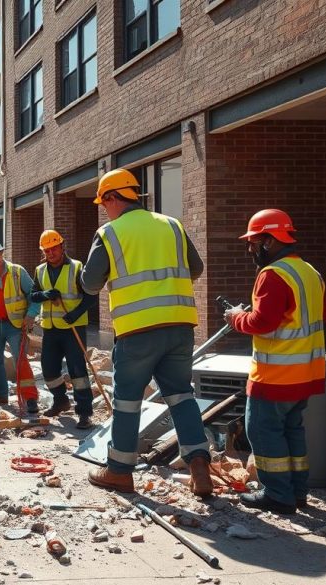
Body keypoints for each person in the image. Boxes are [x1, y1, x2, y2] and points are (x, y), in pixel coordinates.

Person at [81, 168, 213, 497]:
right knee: (181, 396)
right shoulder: (173, 225)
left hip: (137, 331)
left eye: (103, 202)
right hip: (180, 325)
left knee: (127, 402)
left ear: (113, 198)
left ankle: (119, 472)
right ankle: (199, 465)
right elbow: (195, 268)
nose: (103, 209)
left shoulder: (110, 233)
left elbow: (90, 283)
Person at [224, 209, 326, 514]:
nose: (250, 248)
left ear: (269, 241)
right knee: (292, 432)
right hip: (306, 374)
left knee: (263, 433)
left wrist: (235, 318)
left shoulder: (272, 275)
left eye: (254, 242)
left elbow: (262, 322)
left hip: (275, 376)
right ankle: (297, 493)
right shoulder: (310, 272)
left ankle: (277, 495)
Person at [29, 229, 97, 429]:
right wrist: (45, 295)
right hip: (50, 328)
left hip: (73, 327)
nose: (51, 253)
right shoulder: (40, 270)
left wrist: (76, 314)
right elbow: (33, 295)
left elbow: (91, 296)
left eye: (54, 249)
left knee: (77, 371)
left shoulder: (76, 268)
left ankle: (84, 412)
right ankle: (60, 400)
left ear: (61, 246)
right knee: (49, 369)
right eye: (47, 250)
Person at [0, 239, 39, 413]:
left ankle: (30, 398)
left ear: (2, 254)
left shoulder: (18, 272)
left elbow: (34, 294)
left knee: (21, 361)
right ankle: (1, 394)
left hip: (15, 325)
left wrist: (31, 314)